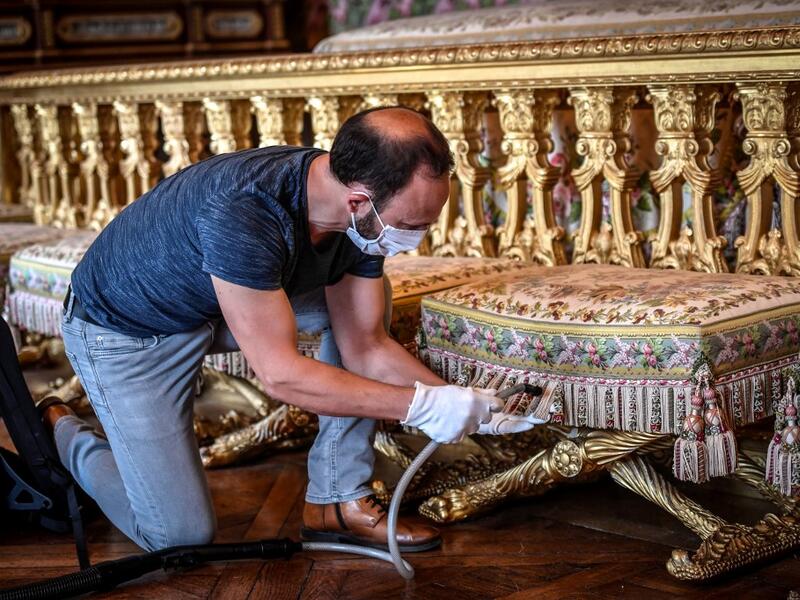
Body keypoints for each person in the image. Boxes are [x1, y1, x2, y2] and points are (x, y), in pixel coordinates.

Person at [41, 106, 542, 553]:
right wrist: (422, 407)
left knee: (367, 303)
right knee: (176, 536)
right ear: (358, 201)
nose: (415, 237)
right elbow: (279, 375)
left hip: (223, 302)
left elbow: (365, 346)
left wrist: (473, 407)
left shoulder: (357, 222)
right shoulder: (245, 210)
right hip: (128, 330)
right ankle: (61, 430)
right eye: (412, 223)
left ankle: (337, 500)